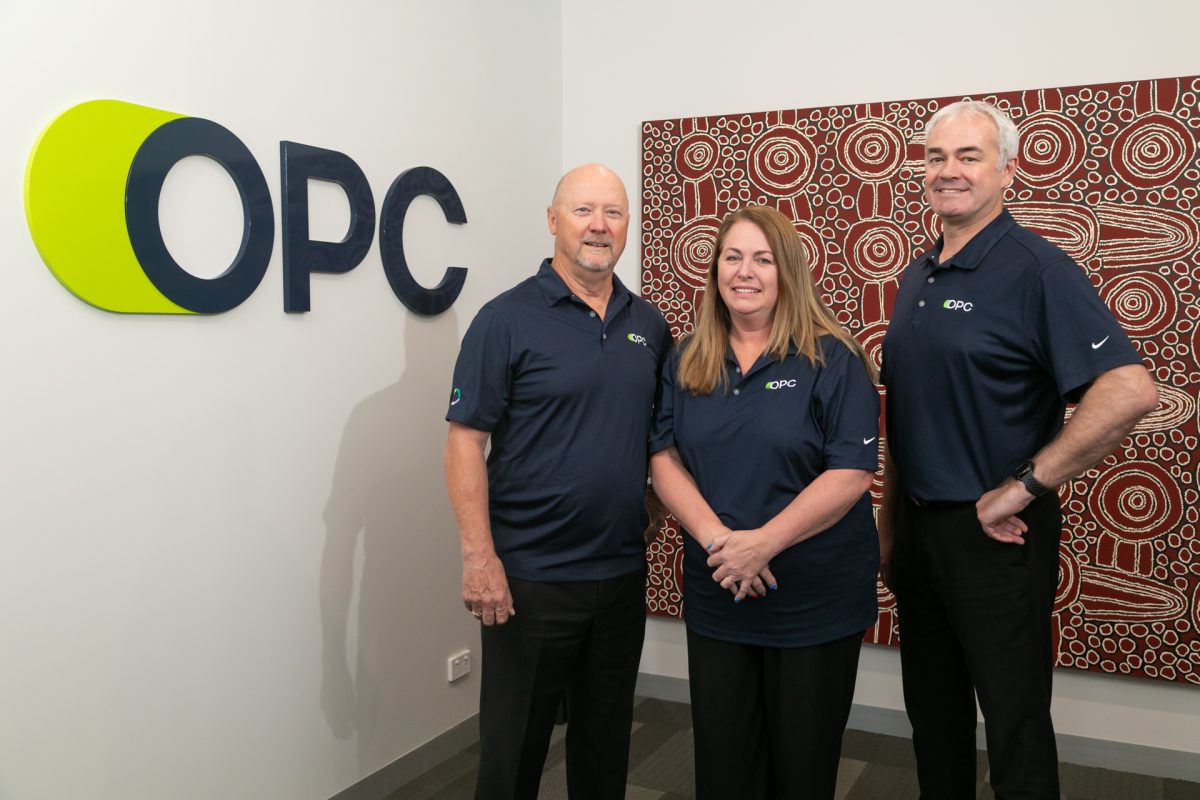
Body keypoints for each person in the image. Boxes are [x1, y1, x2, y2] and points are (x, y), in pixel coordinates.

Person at [878, 100, 1159, 799]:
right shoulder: (920, 273)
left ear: (1007, 168)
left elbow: (1128, 390)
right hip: (918, 534)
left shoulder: (1037, 268)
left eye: (968, 157)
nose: (948, 172)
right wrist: (890, 529)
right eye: (935, 157)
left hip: (994, 535)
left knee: (1015, 725)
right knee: (933, 721)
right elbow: (906, 417)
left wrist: (1025, 485)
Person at [443, 163, 671, 800]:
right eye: (583, 211)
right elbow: (464, 442)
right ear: (552, 221)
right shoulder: (505, 319)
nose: (599, 226)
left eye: (614, 213)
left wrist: (649, 500)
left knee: (605, 746)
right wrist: (478, 557)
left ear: (628, 226)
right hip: (529, 579)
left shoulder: (647, 324)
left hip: (621, 575)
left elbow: (657, 434)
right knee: (514, 752)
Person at [649, 205, 881, 799]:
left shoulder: (832, 357)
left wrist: (762, 545)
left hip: (812, 599)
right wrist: (721, 545)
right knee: (724, 768)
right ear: (715, 270)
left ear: (788, 271)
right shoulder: (687, 359)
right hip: (719, 588)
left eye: (762, 258)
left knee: (801, 772)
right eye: (732, 257)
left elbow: (851, 473)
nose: (744, 271)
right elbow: (664, 458)